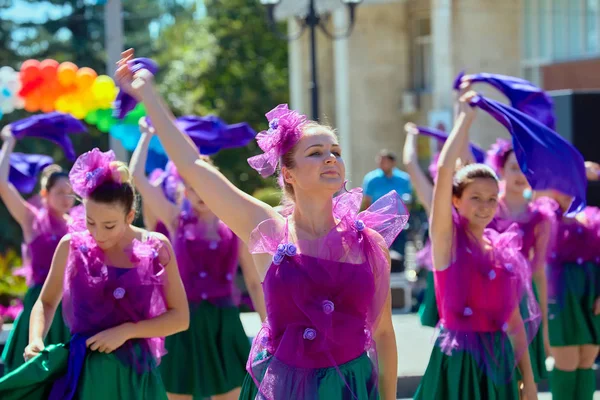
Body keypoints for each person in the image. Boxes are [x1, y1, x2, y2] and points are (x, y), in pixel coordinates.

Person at [115, 48, 408, 400]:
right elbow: (194, 165)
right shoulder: (267, 229)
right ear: (288, 173)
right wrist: (147, 93)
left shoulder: (369, 241)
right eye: (315, 153)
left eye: (335, 151)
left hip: (353, 389)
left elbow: (384, 334)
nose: (331, 158)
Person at [0, 148, 189, 399]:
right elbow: (45, 302)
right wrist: (35, 338)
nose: (98, 234)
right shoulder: (71, 245)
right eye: (90, 222)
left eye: (109, 225)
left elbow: (180, 318)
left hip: (136, 376)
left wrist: (127, 331)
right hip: (85, 374)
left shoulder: (156, 246)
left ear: (130, 215)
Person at [129, 117, 265, 400]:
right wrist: (146, 136)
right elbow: (138, 178)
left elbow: (254, 281)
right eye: (193, 187)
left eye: (205, 186)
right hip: (183, 320)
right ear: (185, 191)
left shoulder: (234, 227)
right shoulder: (176, 221)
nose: (201, 193)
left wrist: (270, 329)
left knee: (232, 395)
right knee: (177, 394)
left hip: (223, 322)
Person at [414, 91, 539, 400]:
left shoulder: (502, 250)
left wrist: (530, 380)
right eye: (475, 198)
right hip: (458, 362)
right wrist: (465, 119)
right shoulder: (447, 240)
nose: (485, 206)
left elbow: (513, 320)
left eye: (491, 199)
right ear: (456, 201)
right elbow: (445, 172)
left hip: (500, 362)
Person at [0, 126, 73, 374]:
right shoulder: (32, 220)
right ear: (45, 194)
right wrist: (9, 142)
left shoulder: (79, 223)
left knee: (68, 373)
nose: (66, 198)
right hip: (39, 304)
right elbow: (2, 184)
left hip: (70, 304)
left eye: (70, 193)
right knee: (30, 372)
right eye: (60, 192)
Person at [486, 138, 554, 384]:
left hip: (524, 301)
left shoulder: (540, 217)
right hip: (487, 296)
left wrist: (544, 326)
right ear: (501, 169)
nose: (522, 173)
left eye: (527, 167)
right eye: (515, 167)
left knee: (525, 381)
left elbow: (539, 272)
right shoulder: (485, 208)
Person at [362, 150, 412, 261]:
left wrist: (405, 218)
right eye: (380, 161)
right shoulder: (371, 179)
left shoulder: (404, 179)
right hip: (379, 225)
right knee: (380, 256)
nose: (381, 164)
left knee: (400, 254)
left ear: (393, 163)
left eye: (385, 161)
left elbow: (408, 200)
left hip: (398, 224)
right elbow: (367, 201)